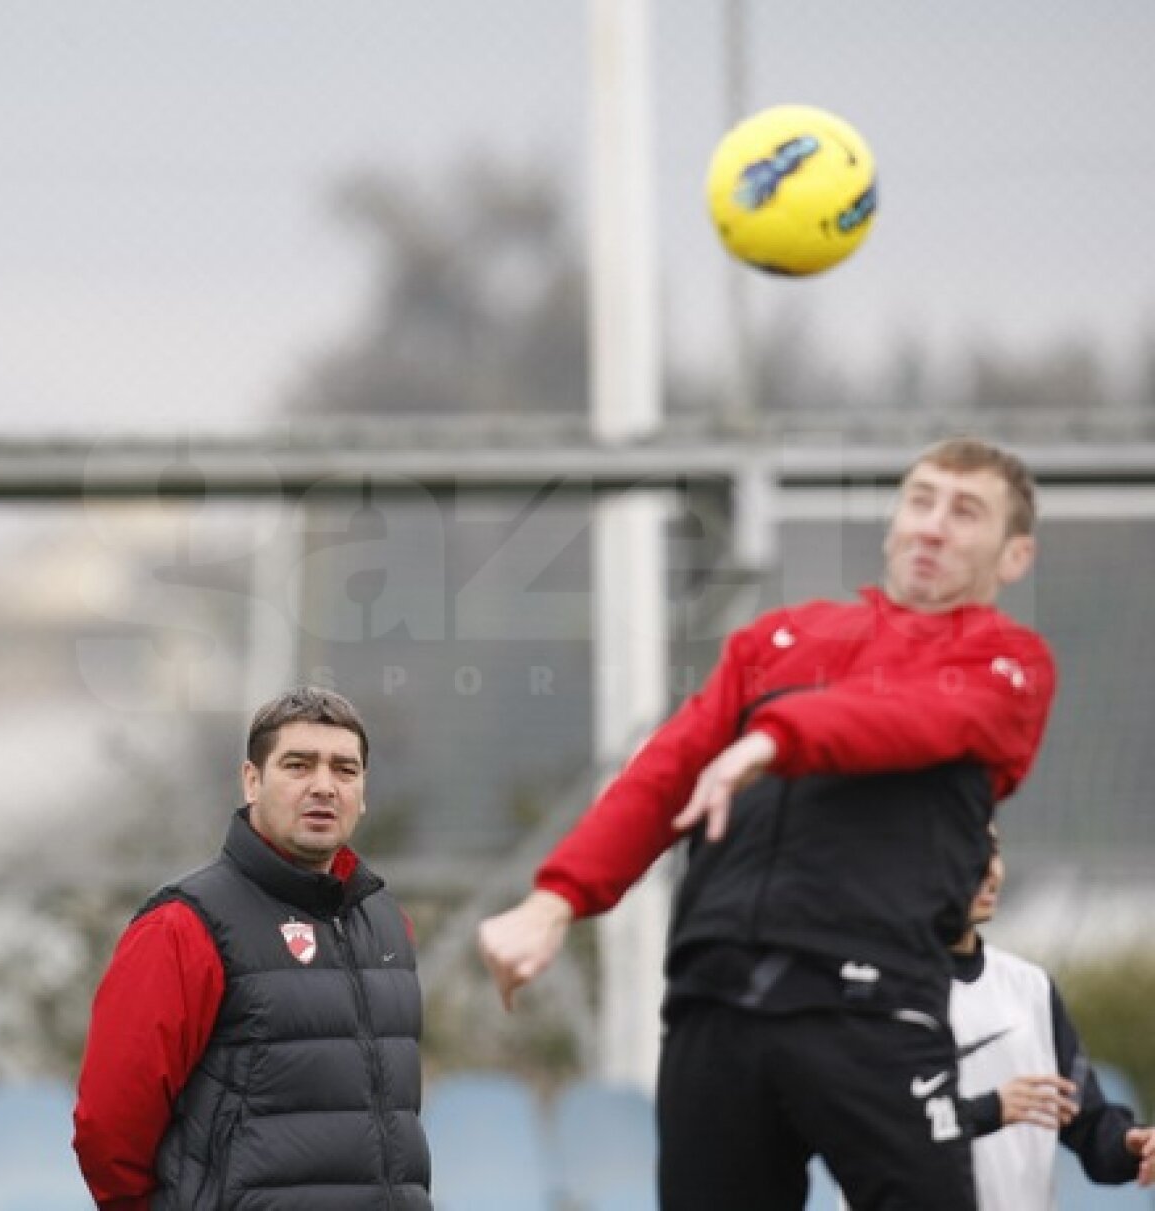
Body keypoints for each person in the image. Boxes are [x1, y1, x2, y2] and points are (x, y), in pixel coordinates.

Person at [479, 437, 1057, 1211]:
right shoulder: (780, 639)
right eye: (920, 500)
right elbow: (664, 772)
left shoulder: (1008, 664)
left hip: (871, 1008)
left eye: (966, 511)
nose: (933, 526)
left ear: (1013, 555)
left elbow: (909, 718)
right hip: (714, 1004)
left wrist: (775, 737)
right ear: (893, 522)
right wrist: (553, 902)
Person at [73, 686, 432, 1211]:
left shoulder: (387, 923)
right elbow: (109, 1126)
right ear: (252, 781)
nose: (324, 787)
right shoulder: (182, 925)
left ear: (363, 791)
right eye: (298, 766)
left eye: (344, 770)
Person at [949, 825, 1155, 1207]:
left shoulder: (1030, 988)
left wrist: (1131, 1144)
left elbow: (1089, 1123)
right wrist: (989, 1110)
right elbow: (872, 1130)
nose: (993, 870)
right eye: (972, 850)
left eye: (995, 851)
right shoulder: (873, 992)